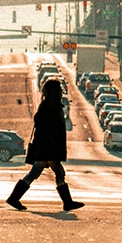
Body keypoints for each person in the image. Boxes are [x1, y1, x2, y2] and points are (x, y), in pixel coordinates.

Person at [6, 78, 84, 212]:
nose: (61, 91)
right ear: (55, 91)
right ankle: (67, 202)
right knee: (54, 172)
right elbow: (49, 129)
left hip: (46, 148)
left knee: (38, 173)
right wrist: (52, 147)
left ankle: (14, 198)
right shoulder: (51, 106)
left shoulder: (49, 105)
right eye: (59, 89)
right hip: (48, 148)